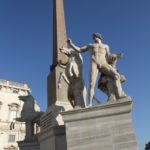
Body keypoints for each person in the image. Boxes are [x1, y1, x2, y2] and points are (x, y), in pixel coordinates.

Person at [67, 33, 125, 106]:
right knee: (92, 84)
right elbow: (80, 50)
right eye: (93, 37)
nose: (94, 38)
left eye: (95, 37)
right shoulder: (91, 45)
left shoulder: (106, 46)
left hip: (103, 63)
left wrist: (116, 56)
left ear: (99, 37)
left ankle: (119, 95)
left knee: (116, 75)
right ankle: (90, 103)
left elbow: (109, 56)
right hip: (94, 63)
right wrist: (71, 44)